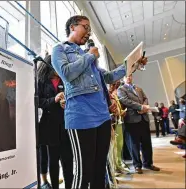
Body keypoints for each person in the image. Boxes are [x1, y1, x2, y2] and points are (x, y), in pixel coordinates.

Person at [51, 15, 147, 188]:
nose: (88, 33)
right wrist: (89, 57)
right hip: (80, 116)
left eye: (89, 29)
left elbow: (108, 76)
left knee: (99, 168)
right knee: (83, 171)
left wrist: (133, 64)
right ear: (73, 27)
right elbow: (67, 73)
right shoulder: (60, 49)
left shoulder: (86, 55)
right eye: (85, 27)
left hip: (102, 116)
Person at [38, 55, 73, 189]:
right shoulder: (41, 81)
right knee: (53, 161)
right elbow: (38, 102)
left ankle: (69, 185)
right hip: (50, 127)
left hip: (67, 125)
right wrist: (54, 100)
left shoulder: (66, 80)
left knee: (68, 159)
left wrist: (68, 103)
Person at [117, 75, 160, 174]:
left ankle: (148, 164)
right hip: (131, 120)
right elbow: (125, 101)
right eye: (126, 76)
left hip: (143, 119)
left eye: (130, 76)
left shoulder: (139, 88)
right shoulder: (121, 89)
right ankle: (137, 165)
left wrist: (144, 106)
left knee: (147, 143)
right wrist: (140, 107)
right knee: (134, 144)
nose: (129, 77)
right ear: (123, 78)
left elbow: (145, 98)